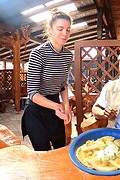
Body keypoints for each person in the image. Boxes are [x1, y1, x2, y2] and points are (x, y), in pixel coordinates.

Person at [21, 10, 73, 151]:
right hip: (36, 109)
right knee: (43, 154)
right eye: (60, 29)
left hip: (55, 106)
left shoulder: (68, 55)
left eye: (68, 30)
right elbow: (32, 92)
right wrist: (57, 107)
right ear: (50, 30)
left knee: (60, 149)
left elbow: (63, 85)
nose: (65, 33)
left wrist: (66, 107)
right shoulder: (38, 54)